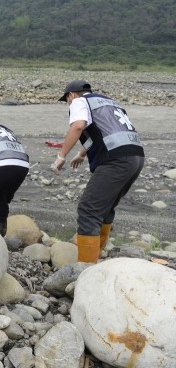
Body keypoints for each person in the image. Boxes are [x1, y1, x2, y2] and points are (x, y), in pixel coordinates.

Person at [51, 80, 145, 263]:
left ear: (71, 95)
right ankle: (97, 254)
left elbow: (78, 126)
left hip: (116, 160)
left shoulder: (79, 102)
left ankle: (87, 268)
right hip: (136, 156)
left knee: (88, 210)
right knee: (106, 207)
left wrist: (61, 157)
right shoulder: (107, 102)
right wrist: (81, 154)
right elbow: (105, 130)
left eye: (67, 100)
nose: (68, 104)